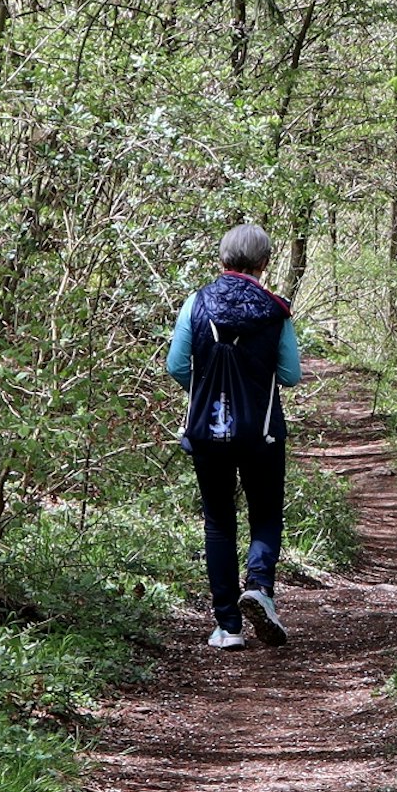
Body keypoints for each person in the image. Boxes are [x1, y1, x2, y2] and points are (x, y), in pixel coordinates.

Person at [165, 223, 301, 649]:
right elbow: (292, 375)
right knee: (265, 515)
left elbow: (176, 365)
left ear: (222, 259)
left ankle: (228, 628)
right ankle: (258, 586)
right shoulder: (276, 310)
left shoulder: (195, 302)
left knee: (219, 522)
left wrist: (207, 394)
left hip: (208, 429)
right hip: (260, 432)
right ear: (264, 263)